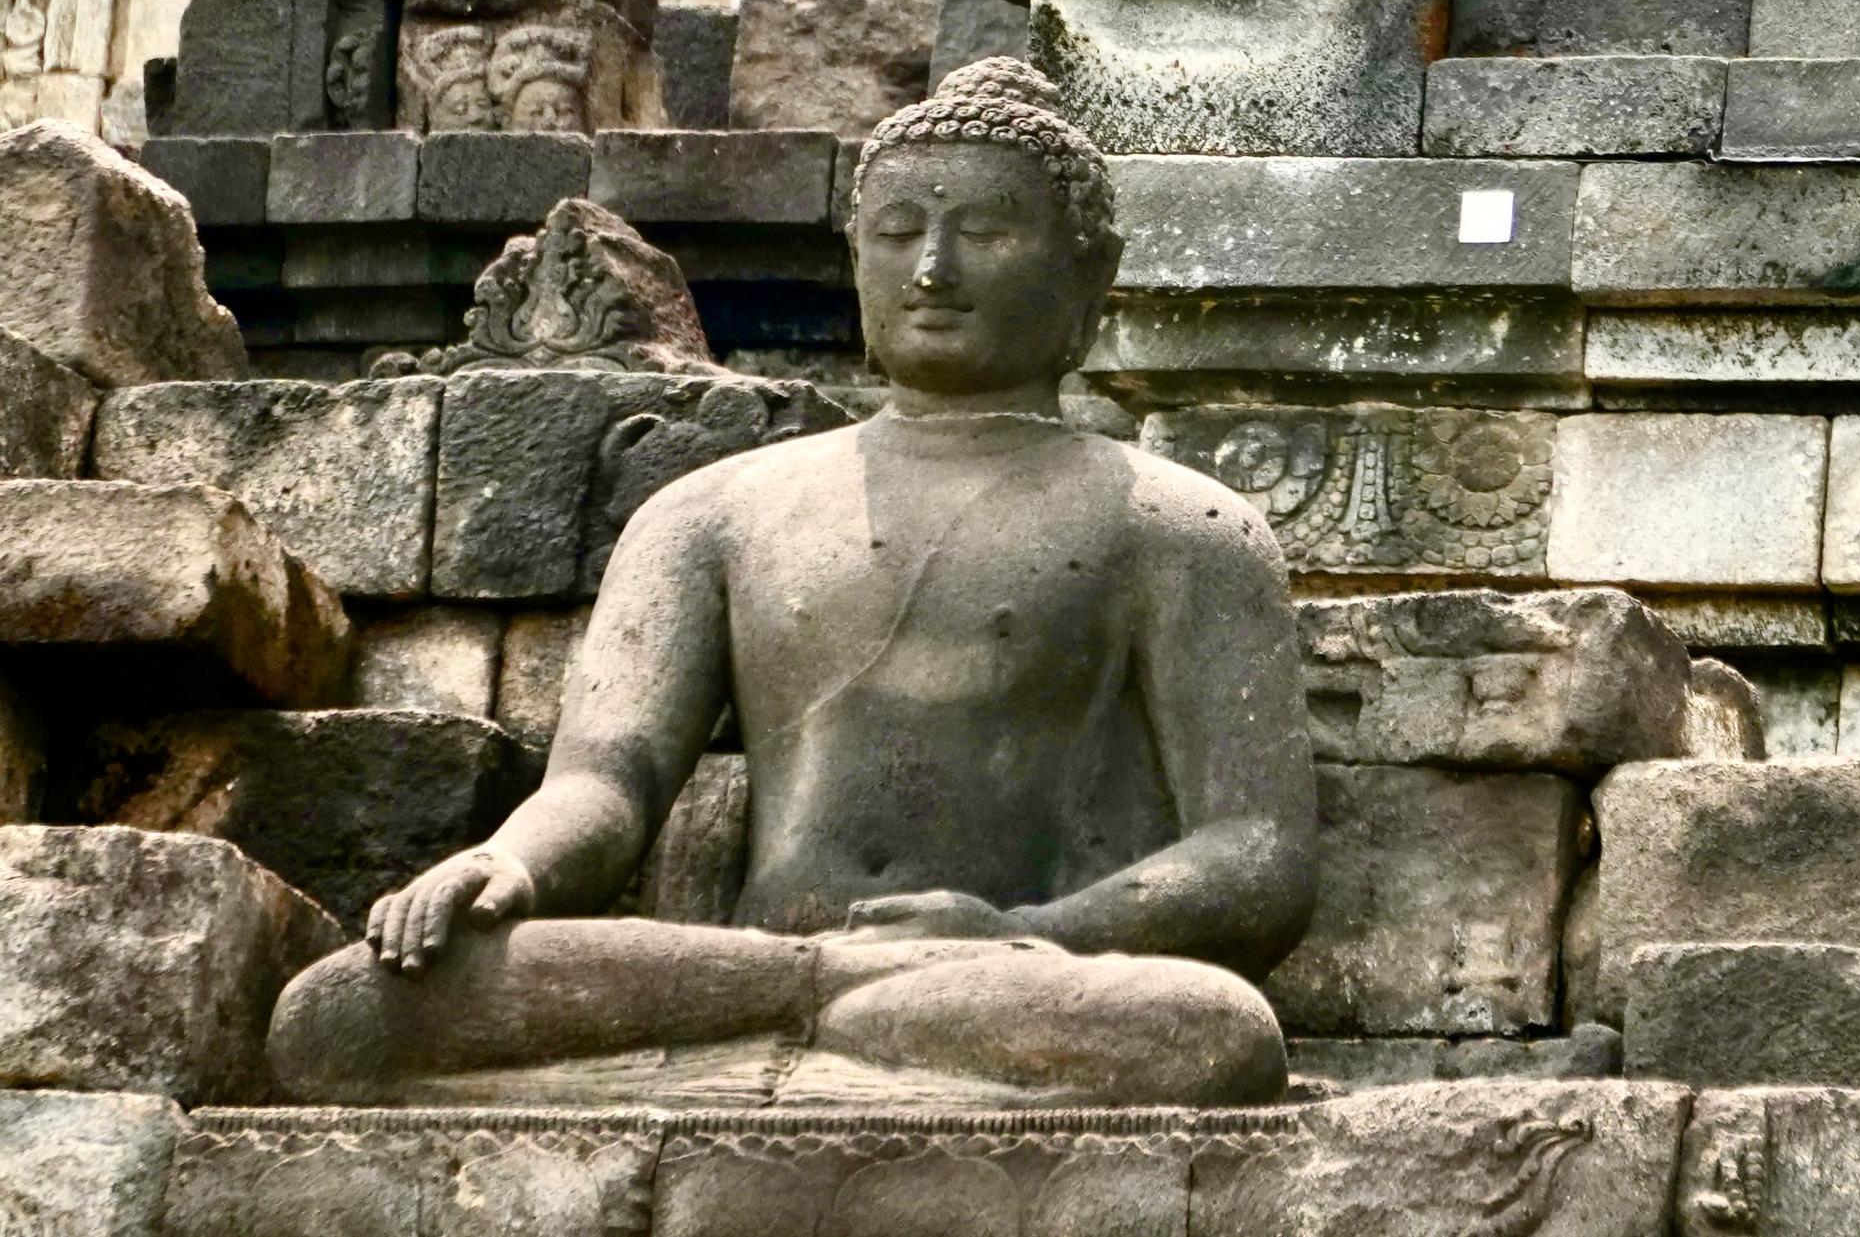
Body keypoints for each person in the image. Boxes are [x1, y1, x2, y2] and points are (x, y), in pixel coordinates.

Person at [268, 58, 1316, 1108]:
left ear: (1091, 274)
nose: (934, 269)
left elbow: (1257, 855)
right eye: (898, 231)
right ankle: (835, 1050)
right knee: (340, 1013)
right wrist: (509, 866)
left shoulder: (1183, 526)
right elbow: (605, 785)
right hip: (744, 967)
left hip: (994, 978)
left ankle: (757, 1068)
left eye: (988, 233)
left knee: (1211, 1029)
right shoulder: (709, 511)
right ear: (854, 258)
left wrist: (1027, 933)